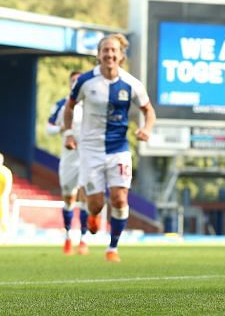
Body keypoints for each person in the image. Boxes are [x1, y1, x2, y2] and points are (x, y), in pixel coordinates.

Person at [63, 34, 155, 263]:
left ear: (121, 56)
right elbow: (69, 107)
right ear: (98, 55)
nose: (109, 55)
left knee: (120, 199)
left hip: (119, 149)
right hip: (91, 150)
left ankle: (112, 248)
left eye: (113, 51)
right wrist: (68, 133)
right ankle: (93, 214)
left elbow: (148, 110)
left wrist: (146, 129)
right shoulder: (85, 81)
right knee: (95, 205)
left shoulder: (131, 84)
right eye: (105, 50)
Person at [46, 70, 89, 255]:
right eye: (73, 80)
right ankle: (68, 236)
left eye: (79, 80)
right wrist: (62, 128)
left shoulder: (91, 104)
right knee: (69, 197)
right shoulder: (61, 105)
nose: (76, 83)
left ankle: (84, 239)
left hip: (87, 157)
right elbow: (48, 128)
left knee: (86, 195)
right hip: (69, 158)